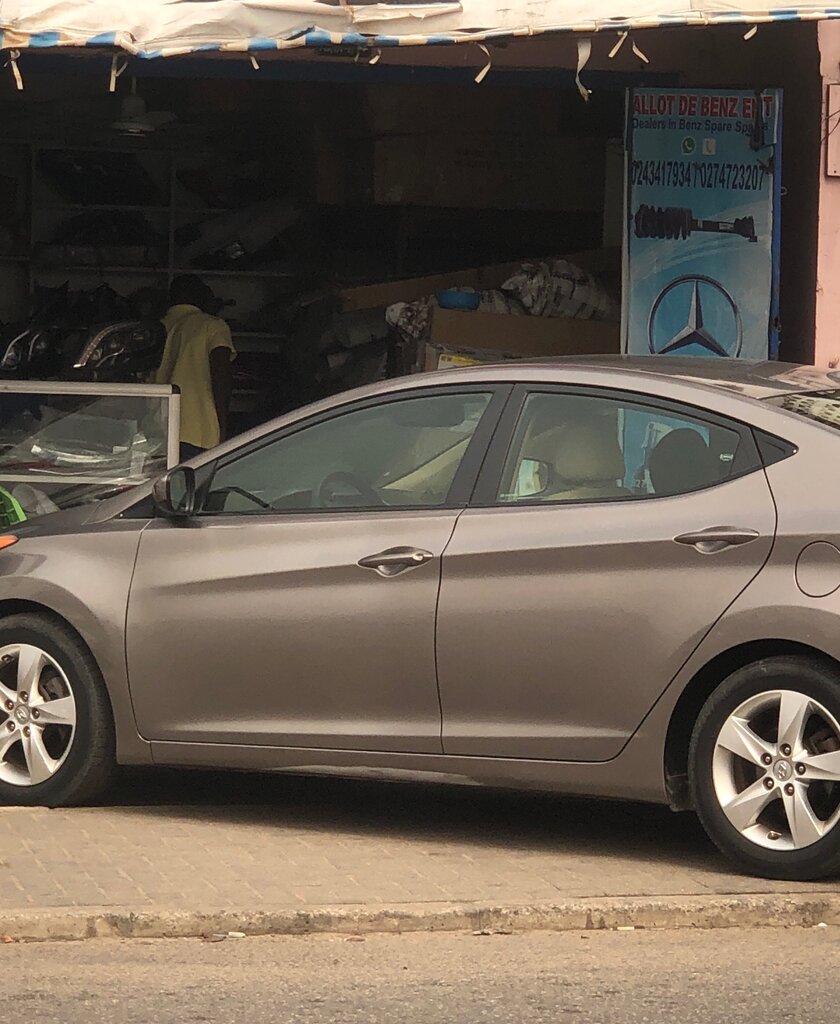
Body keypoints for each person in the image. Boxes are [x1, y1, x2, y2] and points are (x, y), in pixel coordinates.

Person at [156, 275, 235, 463]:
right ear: (202, 297)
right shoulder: (212, 325)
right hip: (197, 431)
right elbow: (221, 372)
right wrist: (223, 424)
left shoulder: (155, 327)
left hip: (155, 433)